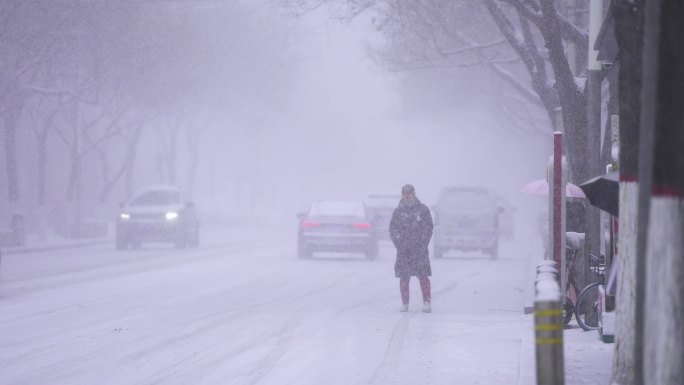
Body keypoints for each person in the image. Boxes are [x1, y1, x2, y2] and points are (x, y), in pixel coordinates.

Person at [389, 184, 434, 313]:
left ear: (414, 193)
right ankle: (405, 303)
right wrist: (399, 243)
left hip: (419, 249)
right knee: (404, 277)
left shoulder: (423, 210)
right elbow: (393, 229)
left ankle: (427, 302)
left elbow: (429, 227)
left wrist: (423, 242)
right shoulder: (398, 212)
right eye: (405, 193)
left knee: (423, 276)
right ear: (402, 195)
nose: (407, 195)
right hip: (404, 250)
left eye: (409, 193)